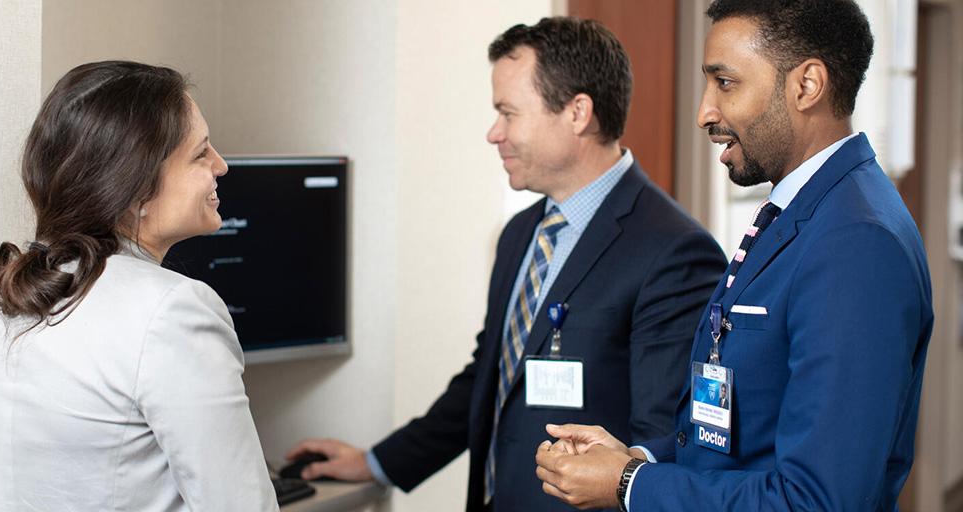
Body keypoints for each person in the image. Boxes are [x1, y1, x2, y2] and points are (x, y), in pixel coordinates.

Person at [287, 17, 726, 511]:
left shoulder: (673, 251)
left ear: (578, 112)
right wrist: (376, 463)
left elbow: (662, 443)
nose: (494, 133)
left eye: (508, 113)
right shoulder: (521, 235)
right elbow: (490, 378)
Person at [534, 1, 934, 510]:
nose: (704, 111)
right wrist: (637, 461)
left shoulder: (856, 241)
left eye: (725, 82)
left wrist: (629, 485)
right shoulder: (801, 211)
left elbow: (817, 500)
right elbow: (748, 438)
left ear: (806, 85)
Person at [0, 61, 279, 511]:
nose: (221, 164)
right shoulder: (172, 310)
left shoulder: (22, 301)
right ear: (136, 187)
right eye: (200, 154)